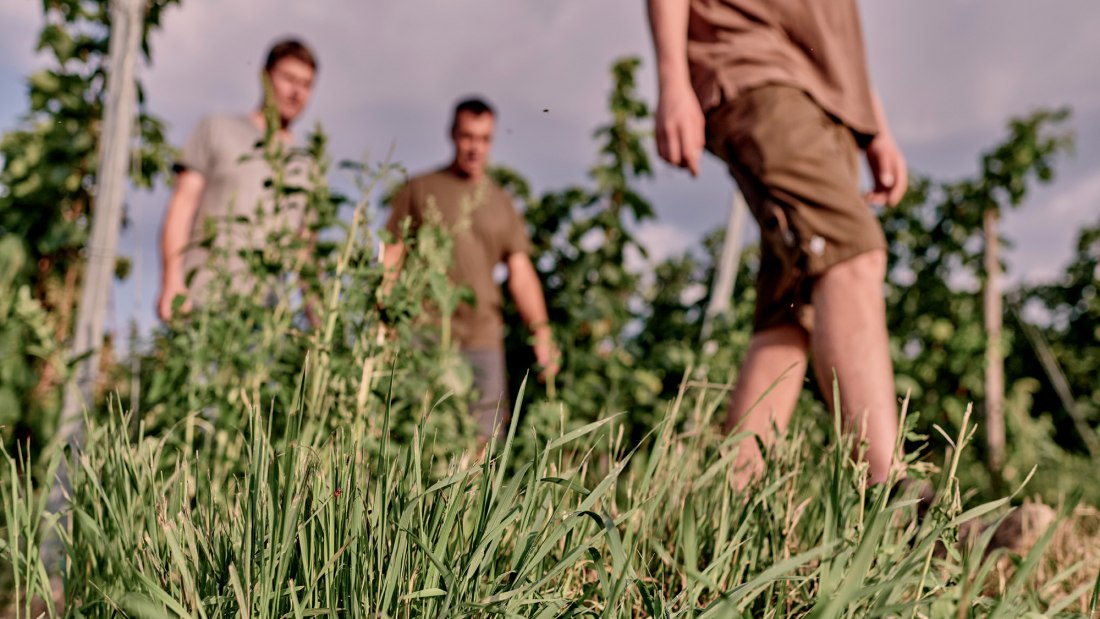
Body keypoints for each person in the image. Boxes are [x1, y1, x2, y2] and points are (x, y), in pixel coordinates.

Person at [647, 1, 909, 486]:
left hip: (830, 98)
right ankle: (892, 499)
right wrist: (673, 79)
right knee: (852, 255)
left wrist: (876, 127)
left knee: (790, 309)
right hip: (750, 60)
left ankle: (729, 500)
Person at [383, 97, 559, 440]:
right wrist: (385, 321)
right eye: (467, 137)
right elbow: (393, 255)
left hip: (482, 337)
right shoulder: (420, 189)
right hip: (425, 332)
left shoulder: (501, 201)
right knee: (418, 435)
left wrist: (542, 332)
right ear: (452, 134)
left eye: (484, 139)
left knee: (484, 441)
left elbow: (521, 272)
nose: (475, 148)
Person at [158, 38, 318, 321]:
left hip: (266, 316)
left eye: (306, 84)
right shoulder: (218, 129)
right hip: (203, 301)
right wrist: (172, 283)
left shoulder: (306, 164)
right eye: (289, 79)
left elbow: (305, 250)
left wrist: (318, 321)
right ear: (265, 77)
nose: (296, 92)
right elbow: (182, 205)